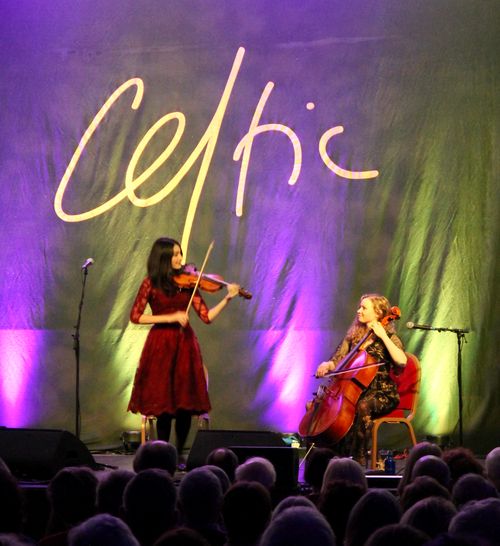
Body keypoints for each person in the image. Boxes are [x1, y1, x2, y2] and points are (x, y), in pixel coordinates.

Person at [128, 237, 240, 457]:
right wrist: (170, 317)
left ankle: (178, 454)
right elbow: (136, 316)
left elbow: (206, 317)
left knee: (184, 407)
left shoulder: (189, 283)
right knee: (164, 408)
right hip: (160, 346)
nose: (180, 258)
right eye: (175, 254)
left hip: (185, 347)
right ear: (163, 257)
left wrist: (228, 298)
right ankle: (163, 454)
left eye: (180, 253)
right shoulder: (150, 283)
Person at [315, 294, 407, 465]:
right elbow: (338, 360)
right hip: (356, 391)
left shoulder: (389, 337)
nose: (359, 310)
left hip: (382, 393)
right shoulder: (353, 336)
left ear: (379, 312)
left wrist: (383, 336)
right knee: (337, 409)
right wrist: (327, 365)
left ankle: (358, 457)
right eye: (360, 307)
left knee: (363, 406)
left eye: (364, 308)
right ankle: (332, 457)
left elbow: (402, 361)